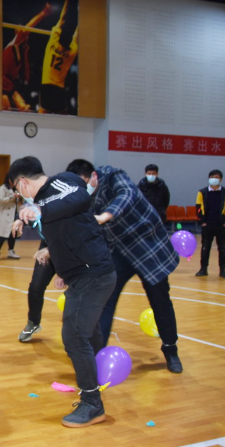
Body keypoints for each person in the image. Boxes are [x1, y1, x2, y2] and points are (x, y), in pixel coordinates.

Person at [9, 156, 116, 428]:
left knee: (74, 335)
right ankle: (95, 381)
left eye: (17, 188)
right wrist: (60, 268)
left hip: (94, 274)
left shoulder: (63, 182)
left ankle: (92, 404)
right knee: (87, 331)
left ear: (23, 182)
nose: (19, 194)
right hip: (81, 275)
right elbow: (64, 232)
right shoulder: (44, 201)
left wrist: (39, 210)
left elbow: (78, 199)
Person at [67, 160, 183, 374]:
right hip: (118, 250)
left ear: (94, 176)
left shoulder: (113, 176)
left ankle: (170, 349)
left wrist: (105, 216)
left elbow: (126, 195)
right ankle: (95, 356)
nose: (84, 190)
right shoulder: (81, 196)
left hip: (148, 245)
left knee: (160, 301)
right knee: (105, 301)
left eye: (85, 184)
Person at [2, 3, 52, 112]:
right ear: (17, 32)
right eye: (21, 30)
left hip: (9, 86)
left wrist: (25, 55)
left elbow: (26, 77)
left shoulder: (21, 54)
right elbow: (28, 27)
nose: (25, 34)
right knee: (7, 109)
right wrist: (43, 13)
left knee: (24, 109)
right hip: (2, 84)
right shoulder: (14, 43)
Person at [38, 0, 78, 114]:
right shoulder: (72, 51)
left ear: (59, 36)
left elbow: (62, 18)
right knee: (63, 121)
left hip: (46, 87)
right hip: (59, 90)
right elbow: (77, 33)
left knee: (41, 120)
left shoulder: (53, 41)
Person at [195, 169, 225, 278]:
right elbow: (198, 207)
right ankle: (203, 269)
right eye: (212, 177)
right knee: (205, 247)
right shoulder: (202, 192)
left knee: (223, 248)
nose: (214, 179)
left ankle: (223, 270)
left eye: (216, 177)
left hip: (221, 225)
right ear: (209, 178)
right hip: (207, 225)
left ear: (221, 179)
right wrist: (202, 221)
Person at [0, 175, 21, 261]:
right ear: (8, 179)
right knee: (3, 233)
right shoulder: (3, 188)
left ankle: (11, 251)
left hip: (14, 213)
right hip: (5, 214)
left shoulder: (17, 188)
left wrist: (21, 197)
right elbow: (1, 200)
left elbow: (21, 201)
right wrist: (12, 196)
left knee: (13, 233)